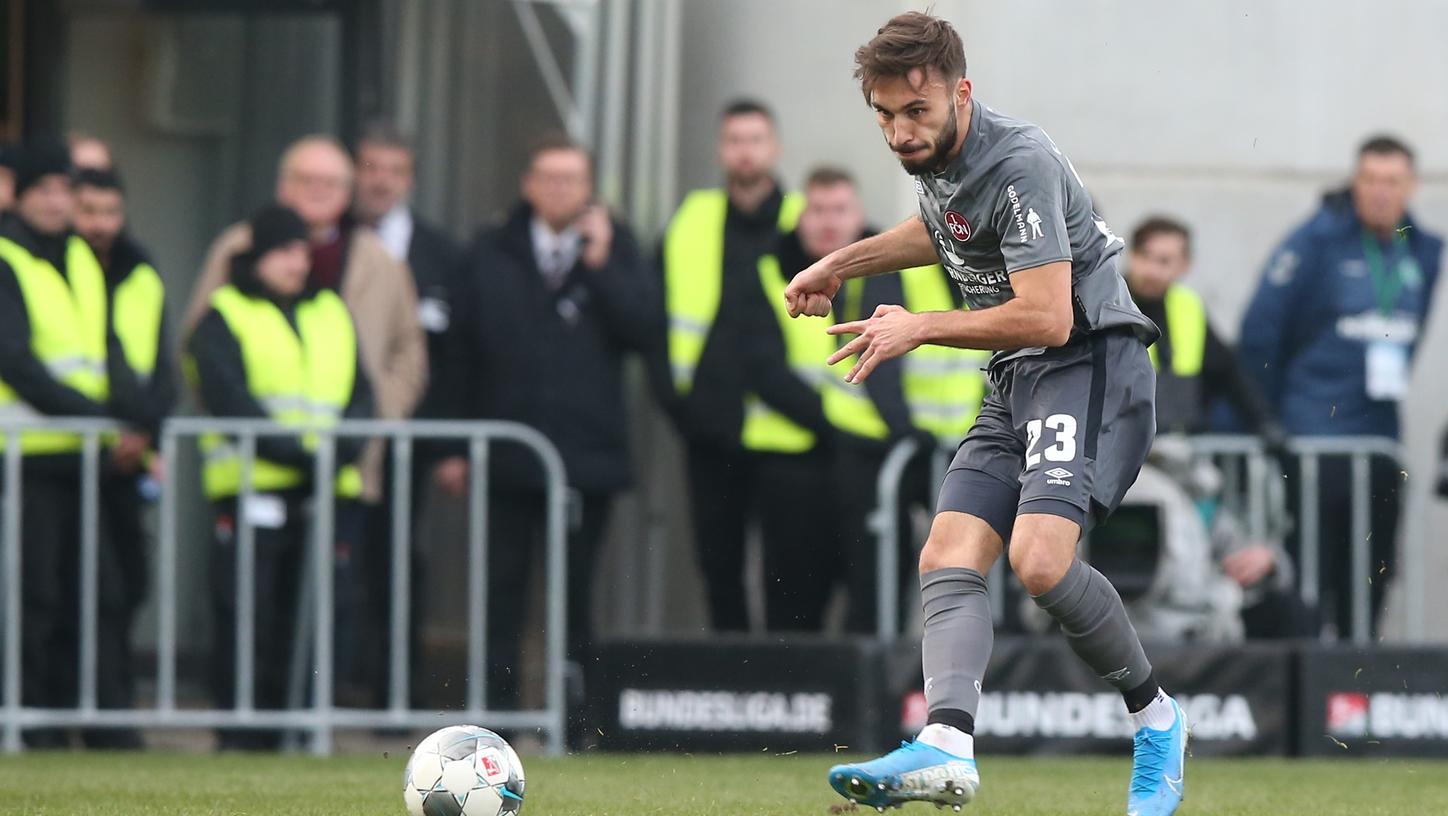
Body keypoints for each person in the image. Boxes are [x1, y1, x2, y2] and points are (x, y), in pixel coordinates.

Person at [784, 14, 1186, 814]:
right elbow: (944, 232)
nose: (899, 133)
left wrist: (918, 326)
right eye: (885, 117)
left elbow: (1049, 317)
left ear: (960, 94)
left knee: (1039, 562)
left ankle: (1159, 721)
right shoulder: (942, 158)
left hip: (1089, 361)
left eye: (916, 114)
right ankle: (947, 745)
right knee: (948, 553)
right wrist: (839, 261)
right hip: (1019, 374)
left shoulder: (1019, 160)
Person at [182, 136, 428, 696]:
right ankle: (247, 721)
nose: (320, 194)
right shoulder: (236, 251)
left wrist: (365, 431)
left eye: (332, 184)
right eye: (307, 181)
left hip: (345, 466)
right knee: (251, 601)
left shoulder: (375, 262)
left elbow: (402, 355)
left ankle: (312, 718)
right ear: (283, 185)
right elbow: (204, 352)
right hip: (257, 471)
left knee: (332, 598)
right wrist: (272, 438)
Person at [440, 134, 656, 728]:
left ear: (589, 190)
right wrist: (454, 447)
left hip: (584, 458)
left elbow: (646, 330)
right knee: (500, 587)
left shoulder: (616, 246)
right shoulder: (490, 249)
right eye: (548, 177)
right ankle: (497, 717)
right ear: (529, 185)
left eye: (572, 179)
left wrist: (603, 265)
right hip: (505, 454)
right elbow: (458, 352)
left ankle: (578, 719)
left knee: (575, 593)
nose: (559, 189)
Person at [745, 166, 986, 632]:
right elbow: (878, 371)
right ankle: (848, 685)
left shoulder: (975, 274)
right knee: (844, 583)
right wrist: (909, 432)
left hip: (939, 446)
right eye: (818, 210)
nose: (830, 221)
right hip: (867, 445)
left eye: (840, 210)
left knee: (926, 573)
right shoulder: (887, 267)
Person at [1239, 136, 1442, 638]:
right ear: (1354, 183)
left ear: (1410, 186)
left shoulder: (1424, 250)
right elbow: (1261, 335)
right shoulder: (1316, 242)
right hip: (1313, 442)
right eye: (1369, 180)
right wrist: (1271, 420)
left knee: (1372, 574)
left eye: (1391, 181)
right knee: (1312, 573)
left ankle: (1356, 684)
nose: (1379, 192)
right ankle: (1309, 688)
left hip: (1380, 444)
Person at [186, 204, 372, 750]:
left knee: (315, 612)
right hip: (252, 487)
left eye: (301, 251)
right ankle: (243, 730)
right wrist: (303, 454)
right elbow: (228, 399)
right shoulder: (223, 314)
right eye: (283, 251)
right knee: (247, 611)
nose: (296, 263)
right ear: (257, 258)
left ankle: (299, 727)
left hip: (326, 490)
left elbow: (363, 395)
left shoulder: (331, 311)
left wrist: (339, 452)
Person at [0, 141, 148, 748]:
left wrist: (130, 416)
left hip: (84, 458)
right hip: (25, 455)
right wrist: (102, 417)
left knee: (93, 594)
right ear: (22, 194)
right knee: (29, 596)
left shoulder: (84, 261)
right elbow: (16, 361)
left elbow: (107, 347)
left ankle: (69, 722)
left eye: (65, 189)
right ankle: (25, 724)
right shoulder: (7, 255)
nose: (57, 200)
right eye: (45, 190)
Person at [653, 99, 804, 632]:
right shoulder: (693, 218)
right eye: (735, 140)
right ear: (721, 150)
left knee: (790, 572)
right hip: (711, 425)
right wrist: (678, 404)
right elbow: (658, 314)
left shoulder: (805, 220)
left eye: (755, 139)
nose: (745, 152)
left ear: (775, 147)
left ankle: (785, 689)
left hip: (792, 430)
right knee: (717, 564)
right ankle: (734, 680)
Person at [350, 120, 463, 708]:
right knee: (341, 560)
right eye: (370, 168)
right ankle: (331, 685)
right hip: (337, 436)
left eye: (393, 171)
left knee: (398, 561)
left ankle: (394, 691)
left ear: (410, 178)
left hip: (412, 438)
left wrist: (449, 446)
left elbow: (456, 353)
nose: (380, 182)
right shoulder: (324, 242)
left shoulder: (441, 252)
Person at [73, 168, 177, 747]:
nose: (100, 225)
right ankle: (96, 718)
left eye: (110, 211)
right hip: (69, 450)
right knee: (86, 591)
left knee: (126, 584)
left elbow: (157, 362)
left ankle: (110, 712)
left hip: (127, 454)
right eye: (89, 211)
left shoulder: (140, 269)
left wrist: (148, 432)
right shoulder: (62, 266)